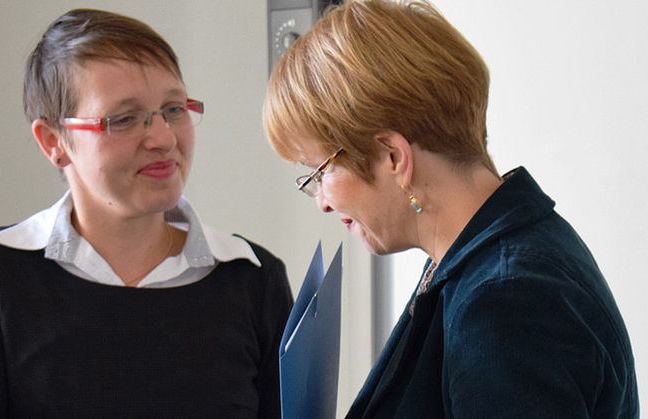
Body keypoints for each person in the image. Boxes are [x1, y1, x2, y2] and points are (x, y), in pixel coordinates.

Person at [263, 0, 638, 417]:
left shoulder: (506, 299)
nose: (322, 201)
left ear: (392, 157)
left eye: (320, 171)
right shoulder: (483, 259)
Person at [0, 8, 293, 418]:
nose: (162, 138)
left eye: (173, 109)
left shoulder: (252, 280)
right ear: (53, 142)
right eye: (123, 119)